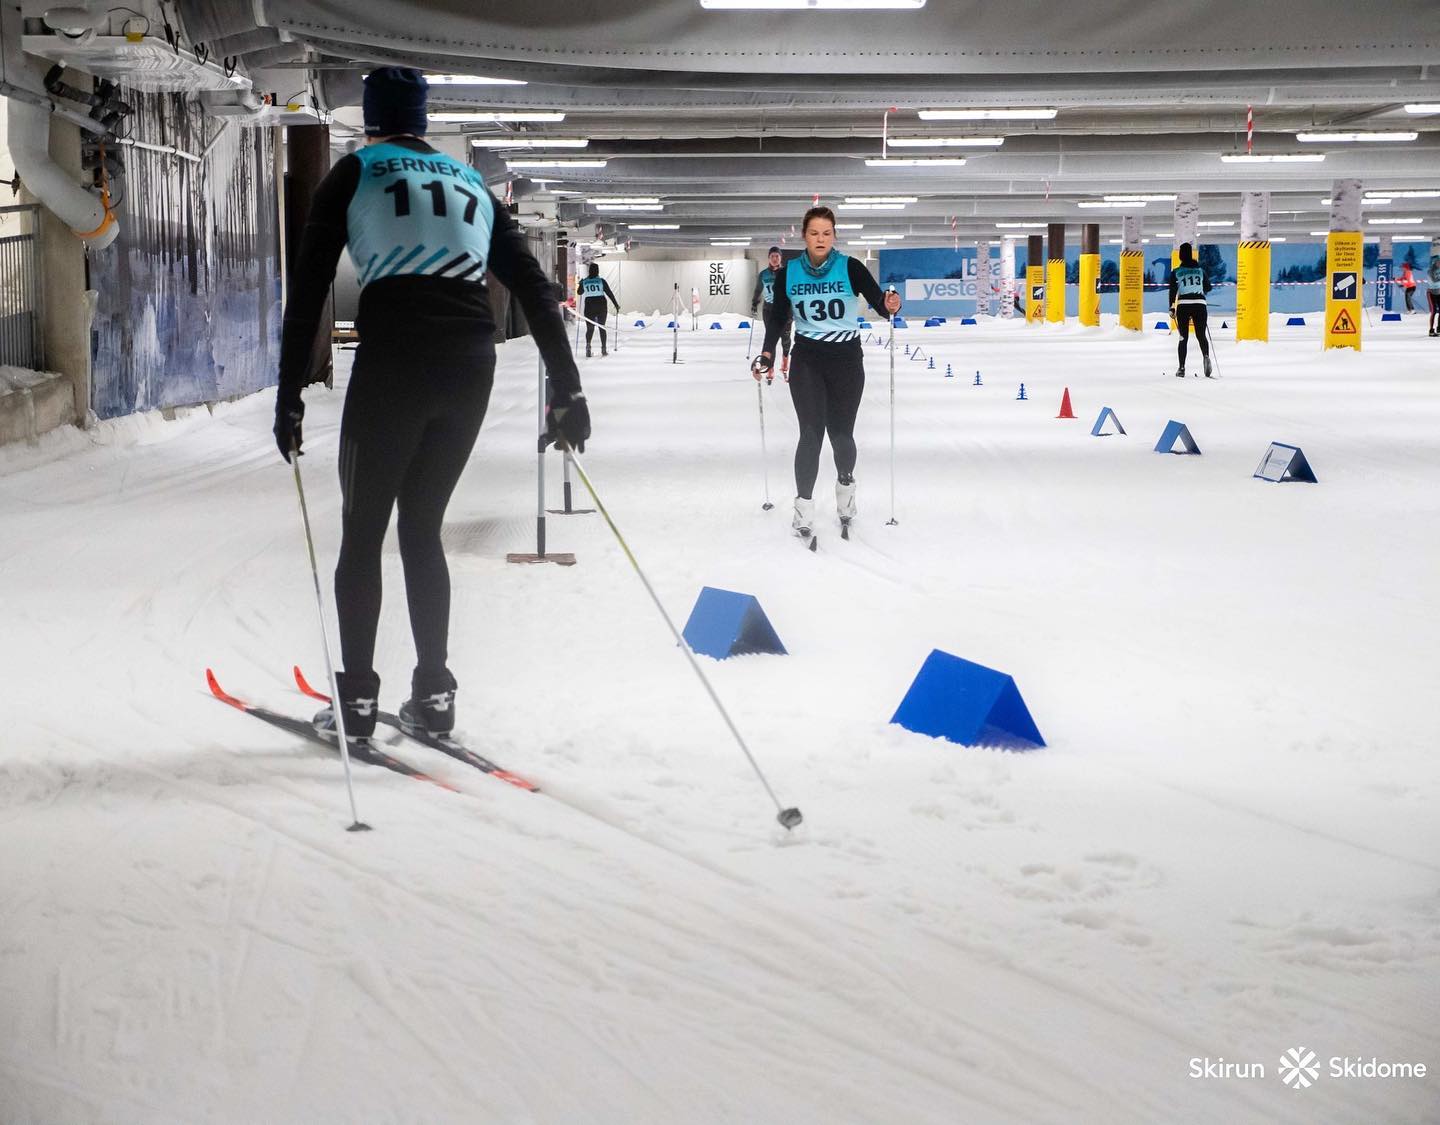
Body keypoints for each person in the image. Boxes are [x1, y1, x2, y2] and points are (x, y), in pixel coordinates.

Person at [273, 67, 590, 744]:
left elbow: (309, 292)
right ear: (421, 118)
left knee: (364, 535)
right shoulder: (473, 182)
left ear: (370, 118)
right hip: (471, 367)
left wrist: (288, 394)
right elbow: (535, 287)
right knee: (422, 529)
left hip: (394, 364)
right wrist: (568, 386)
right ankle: (435, 695)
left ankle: (356, 704)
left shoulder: (353, 172)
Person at [753, 206, 902, 538]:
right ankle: (803, 509)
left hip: (846, 359)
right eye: (813, 233)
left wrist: (891, 304)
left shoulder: (850, 267)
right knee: (810, 434)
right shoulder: (788, 272)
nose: (820, 239)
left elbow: (880, 302)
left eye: (826, 233)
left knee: (840, 435)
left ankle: (845, 492)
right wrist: (767, 351)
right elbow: (778, 318)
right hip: (807, 357)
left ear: (834, 235)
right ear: (803, 235)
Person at [1168, 242, 1213, 378]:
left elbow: (1173, 291)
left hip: (1184, 304)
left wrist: (1172, 307)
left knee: (1183, 337)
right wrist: (1199, 289)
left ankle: (1181, 368)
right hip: (1200, 303)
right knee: (1201, 335)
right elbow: (1209, 287)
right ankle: (1206, 356)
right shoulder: (1200, 271)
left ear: (1181, 256)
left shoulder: (1176, 272)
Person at [749, 245, 793, 381]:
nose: (775, 259)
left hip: (785, 308)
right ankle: (770, 367)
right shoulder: (763, 274)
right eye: (772, 256)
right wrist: (754, 302)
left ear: (781, 258)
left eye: (777, 256)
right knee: (771, 338)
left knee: (785, 338)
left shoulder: (787, 272)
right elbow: (758, 289)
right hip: (769, 309)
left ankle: (785, 362)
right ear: (769, 258)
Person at [576, 262, 620, 357]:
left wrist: (580, 284)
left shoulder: (585, 281)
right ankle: (603, 349)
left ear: (589, 271)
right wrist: (616, 305)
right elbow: (609, 293)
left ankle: (588, 347)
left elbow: (579, 292)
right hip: (601, 305)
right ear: (598, 271)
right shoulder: (601, 281)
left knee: (590, 328)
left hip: (589, 306)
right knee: (602, 327)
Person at [1428, 255, 1440, 337]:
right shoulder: (1431, 270)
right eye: (1438, 262)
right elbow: (1434, 280)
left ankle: (1439, 328)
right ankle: (1431, 330)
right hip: (1431, 293)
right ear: (1435, 262)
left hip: (1439, 292)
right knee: (1434, 311)